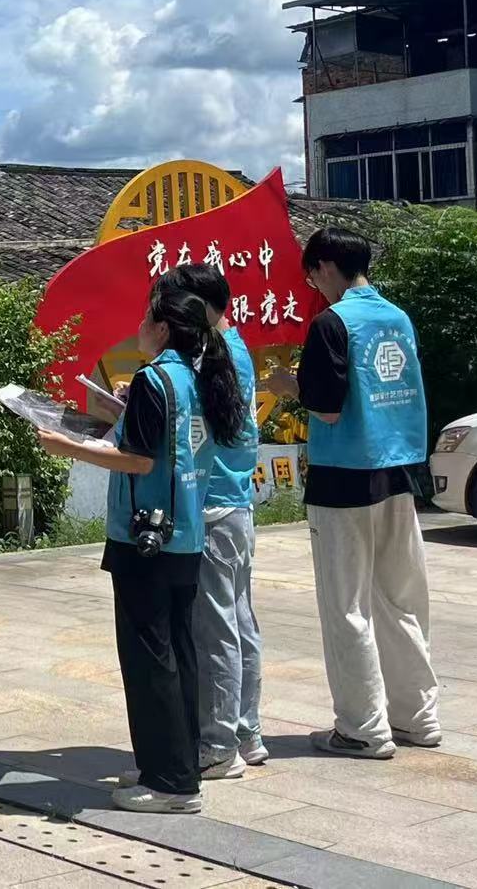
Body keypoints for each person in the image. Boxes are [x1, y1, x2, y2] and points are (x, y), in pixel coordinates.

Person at [39, 282, 250, 814]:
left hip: (145, 535)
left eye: (145, 317)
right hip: (185, 534)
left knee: (150, 659)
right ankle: (174, 765)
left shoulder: (156, 379)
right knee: (177, 653)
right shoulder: (200, 376)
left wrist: (67, 446)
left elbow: (140, 460)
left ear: (162, 327)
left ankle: (171, 785)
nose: (138, 326)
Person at [275, 227, 440, 759]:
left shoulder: (332, 322)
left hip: (344, 475)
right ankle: (418, 717)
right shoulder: (398, 318)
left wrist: (288, 387)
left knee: (346, 604)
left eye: (312, 276)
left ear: (325, 267)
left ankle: (362, 728)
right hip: (399, 471)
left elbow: (326, 408)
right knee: (400, 598)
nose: (314, 287)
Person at [165, 263, 266, 778]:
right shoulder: (236, 348)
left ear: (198, 309)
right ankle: (247, 732)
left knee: (215, 631)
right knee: (239, 622)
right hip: (237, 504)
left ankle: (218, 745)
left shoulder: (207, 356)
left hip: (211, 505)